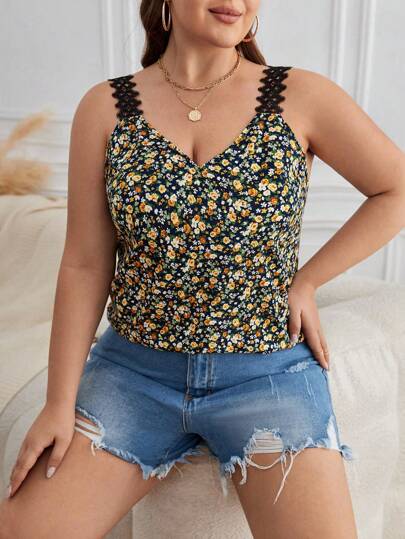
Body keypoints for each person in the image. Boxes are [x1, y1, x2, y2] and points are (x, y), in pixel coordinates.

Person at [2, 0, 405, 537]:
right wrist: (59, 402)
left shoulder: (300, 96)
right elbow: (84, 264)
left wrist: (307, 280)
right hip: (133, 376)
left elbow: (395, 188)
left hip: (268, 374)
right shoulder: (106, 108)